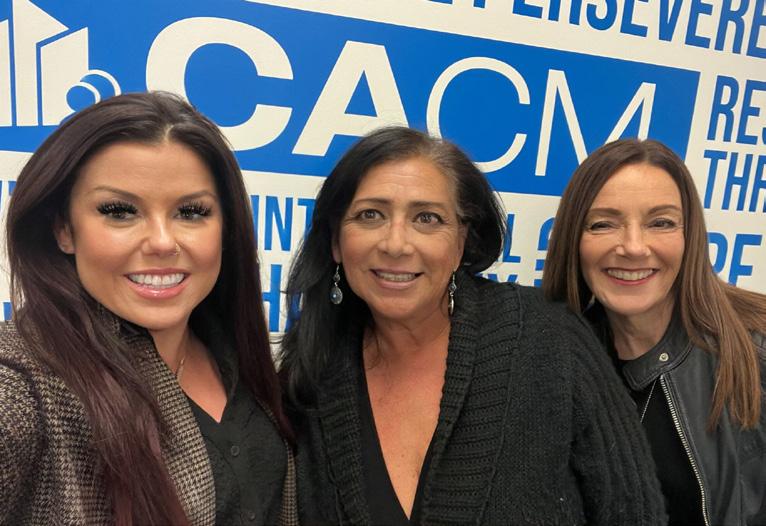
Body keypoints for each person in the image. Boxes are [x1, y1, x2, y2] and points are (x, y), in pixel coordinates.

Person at [279, 126, 665, 525]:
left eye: (427, 218)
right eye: (370, 215)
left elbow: (635, 513)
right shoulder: (308, 379)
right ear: (336, 242)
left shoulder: (548, 338)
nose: (396, 244)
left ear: (461, 242)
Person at [0, 92, 297, 526]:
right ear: (64, 229)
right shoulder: (23, 379)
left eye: (191, 212)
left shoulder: (233, 350)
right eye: (120, 211)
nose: (162, 241)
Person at [543, 138, 766, 525]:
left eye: (660, 222)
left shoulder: (756, 346)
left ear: (688, 236)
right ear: (574, 240)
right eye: (603, 224)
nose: (633, 247)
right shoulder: (555, 358)